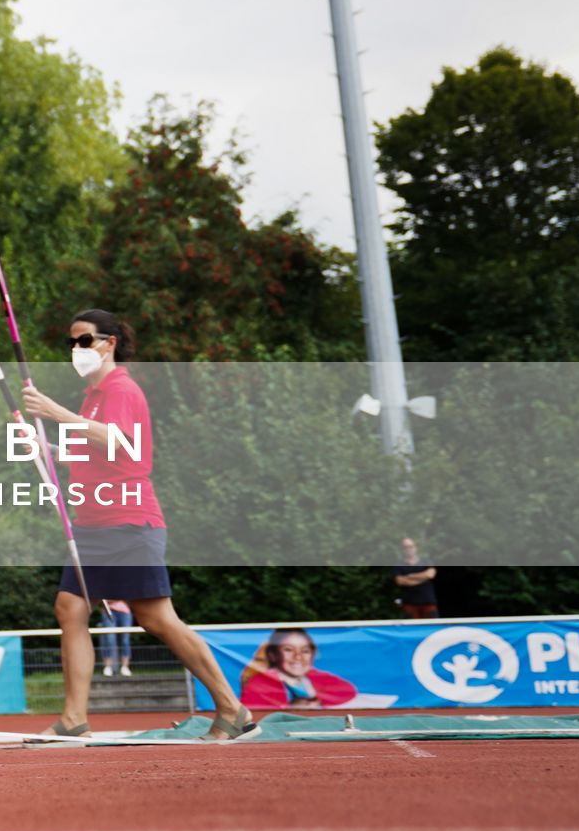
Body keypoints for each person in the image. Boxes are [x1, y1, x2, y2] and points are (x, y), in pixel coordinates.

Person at [19, 310, 254, 742]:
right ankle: (74, 718)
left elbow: (118, 440)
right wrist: (44, 446)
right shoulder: (92, 396)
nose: (76, 350)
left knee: (155, 616)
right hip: (92, 524)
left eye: (85, 341)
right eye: (71, 343)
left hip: (127, 520)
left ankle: (231, 708)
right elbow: (88, 452)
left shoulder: (120, 388)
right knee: (70, 608)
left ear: (109, 343)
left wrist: (52, 412)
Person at [240, 627, 359, 709]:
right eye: (288, 649)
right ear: (273, 655)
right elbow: (253, 709)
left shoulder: (317, 677)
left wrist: (317, 701)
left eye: (305, 651)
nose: (298, 657)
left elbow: (348, 691)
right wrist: (290, 707)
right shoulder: (260, 682)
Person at [394, 537, 438, 619]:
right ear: (402, 550)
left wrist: (410, 576)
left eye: (411, 546)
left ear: (416, 547)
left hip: (428, 603)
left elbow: (430, 575)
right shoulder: (399, 564)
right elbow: (400, 581)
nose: (409, 549)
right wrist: (423, 578)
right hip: (410, 604)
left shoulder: (426, 561)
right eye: (405, 547)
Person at [99, 598, 134, 677]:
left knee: (125, 640)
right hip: (108, 611)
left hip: (125, 611)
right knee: (109, 639)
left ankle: (125, 667)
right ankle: (108, 667)